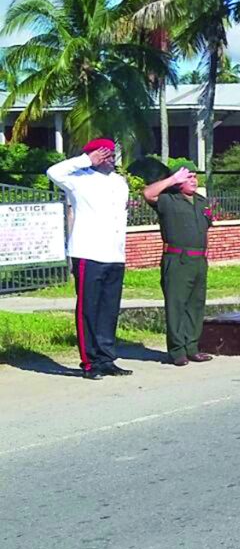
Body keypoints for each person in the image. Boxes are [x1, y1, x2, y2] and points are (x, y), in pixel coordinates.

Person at [47, 139, 131, 380]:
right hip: (88, 252)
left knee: (109, 310)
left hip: (114, 253)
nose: (109, 158)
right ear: (92, 155)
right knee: (88, 309)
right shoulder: (77, 179)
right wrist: (86, 160)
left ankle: (106, 358)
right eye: (103, 153)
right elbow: (52, 171)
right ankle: (89, 361)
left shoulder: (119, 182)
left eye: (111, 153)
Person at [142, 163, 214, 366]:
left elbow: (206, 227)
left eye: (194, 177)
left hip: (199, 259)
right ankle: (177, 351)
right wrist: (172, 179)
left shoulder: (201, 201)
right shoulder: (167, 199)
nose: (193, 180)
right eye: (188, 176)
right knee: (177, 305)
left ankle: (192, 347)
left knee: (196, 305)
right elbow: (148, 193)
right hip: (177, 259)